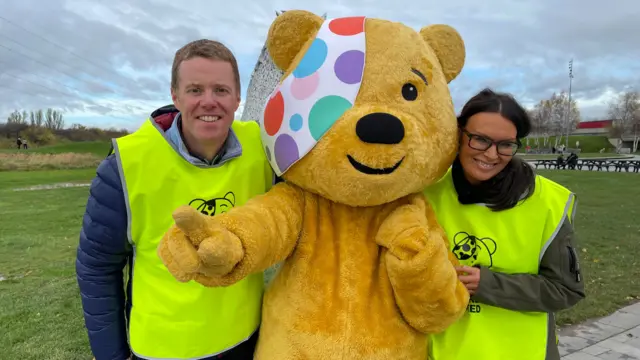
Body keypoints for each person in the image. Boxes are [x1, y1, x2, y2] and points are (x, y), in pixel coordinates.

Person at [75, 39, 273, 360]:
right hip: (163, 349)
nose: (208, 102)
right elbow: (97, 268)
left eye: (220, 90)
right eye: (195, 90)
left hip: (247, 338)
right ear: (175, 96)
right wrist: (110, 355)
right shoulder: (126, 165)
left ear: (238, 98)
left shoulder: (261, 150)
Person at [424, 88, 585, 360]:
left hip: (523, 351)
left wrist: (486, 284)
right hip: (440, 351)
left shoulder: (548, 202)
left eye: (505, 144)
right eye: (480, 140)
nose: (491, 154)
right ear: (459, 134)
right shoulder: (426, 195)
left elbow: (566, 290)